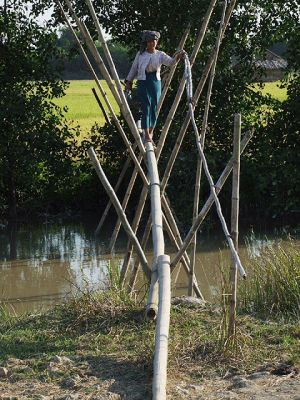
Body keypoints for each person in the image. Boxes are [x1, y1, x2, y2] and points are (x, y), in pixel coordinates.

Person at [125, 30, 184, 144]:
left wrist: (177, 57)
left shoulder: (160, 54)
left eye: (154, 41)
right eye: (149, 41)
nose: (152, 43)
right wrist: (129, 81)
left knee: (154, 107)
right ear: (146, 43)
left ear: (156, 42)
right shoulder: (140, 54)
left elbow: (171, 62)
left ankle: (151, 131)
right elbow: (134, 68)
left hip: (155, 82)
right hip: (143, 81)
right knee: (146, 106)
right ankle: (146, 133)